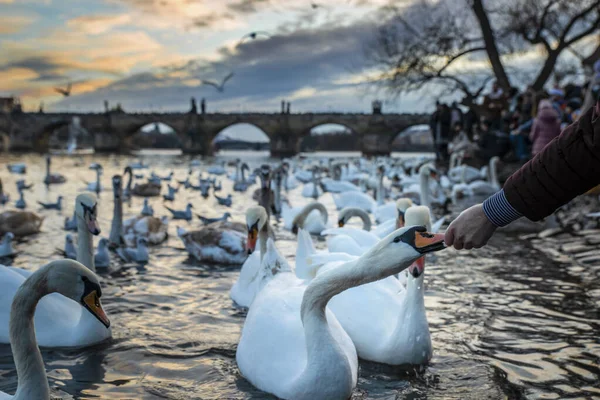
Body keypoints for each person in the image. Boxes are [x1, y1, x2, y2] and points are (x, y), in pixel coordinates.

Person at [445, 100, 600, 250]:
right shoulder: (557, 119)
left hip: (539, 153)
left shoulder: (538, 120)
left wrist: (491, 212)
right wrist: (492, 212)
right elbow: (585, 146)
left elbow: (583, 147)